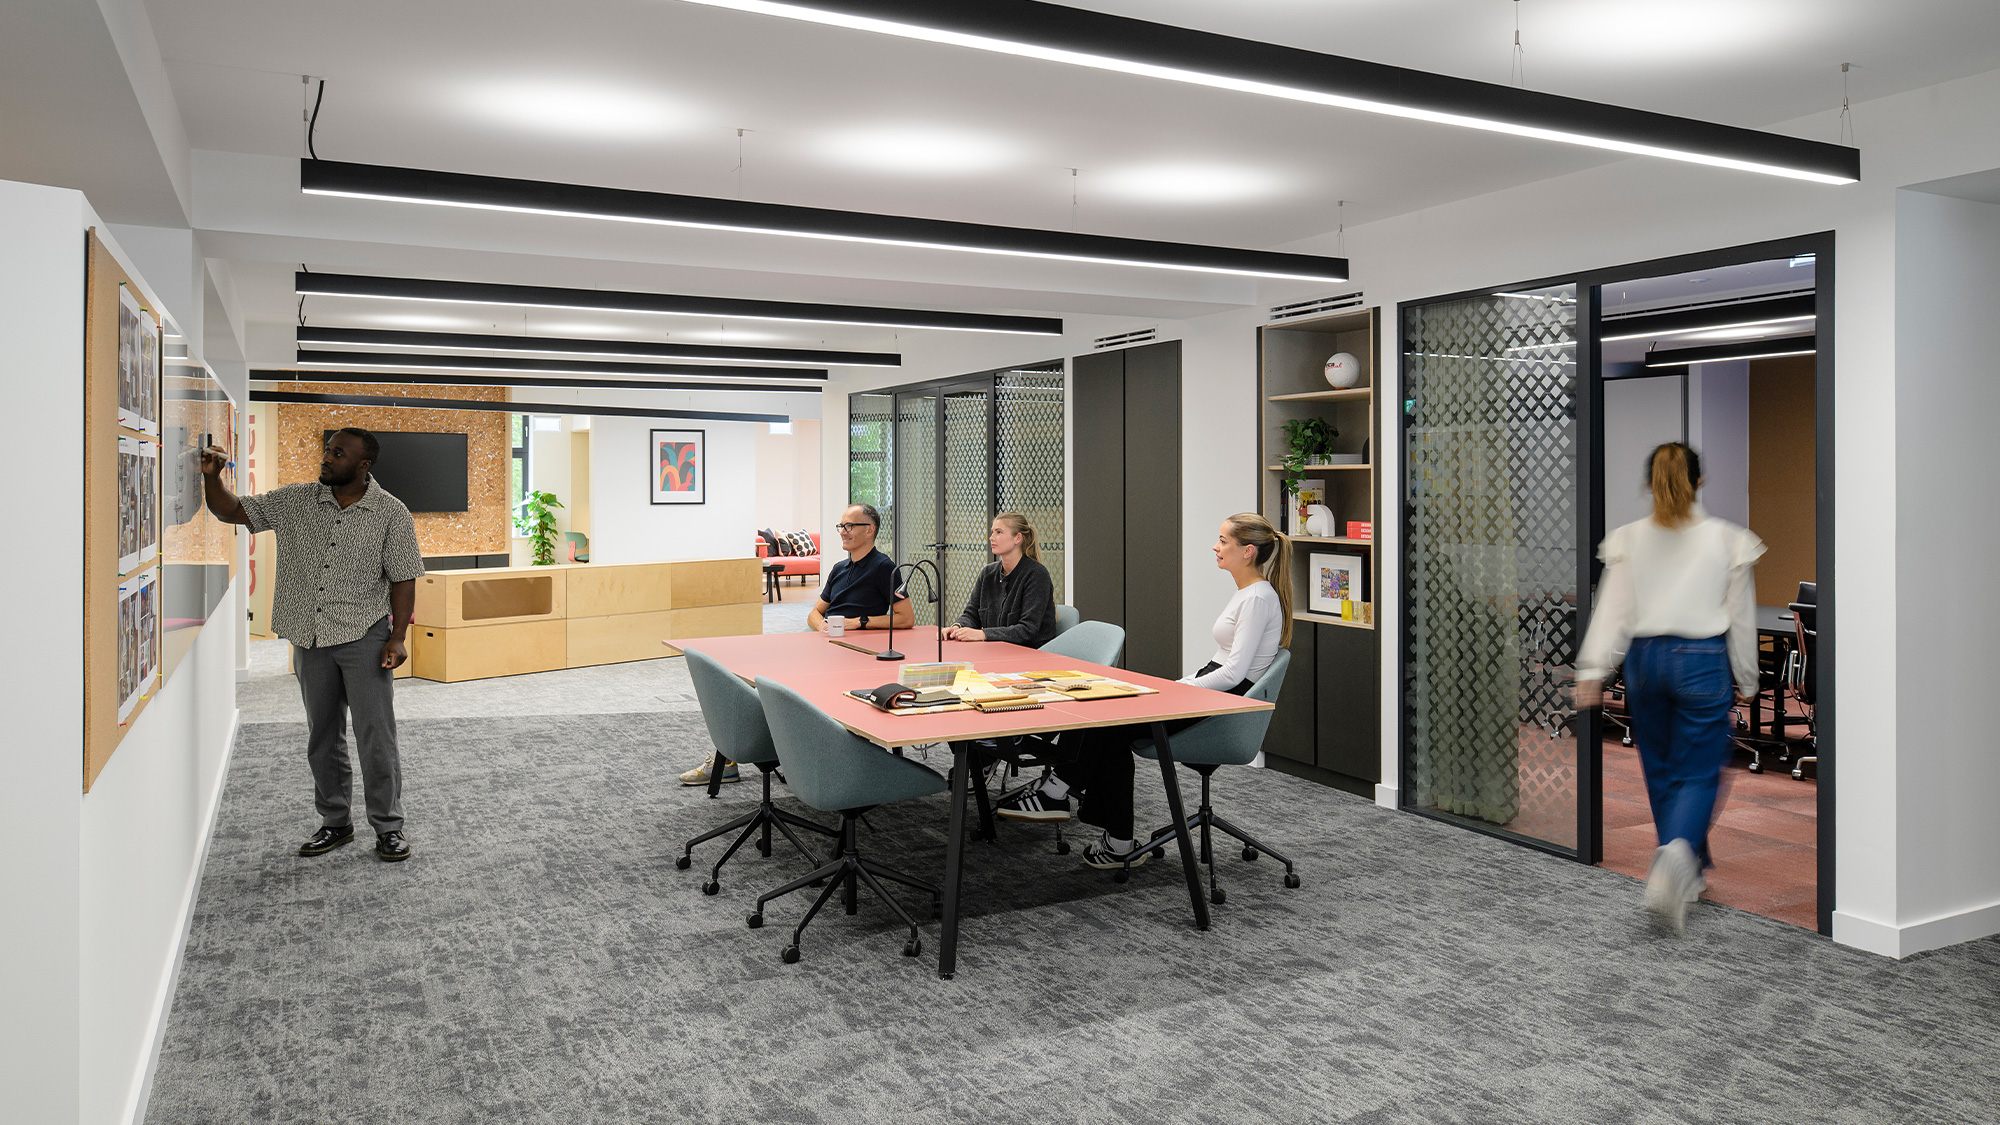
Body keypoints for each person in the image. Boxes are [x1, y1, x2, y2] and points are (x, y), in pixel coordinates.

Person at [997, 513, 1290, 869]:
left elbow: (1233, 673)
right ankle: (1087, 815)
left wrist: (1177, 688)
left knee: (1112, 723)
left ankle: (1062, 794)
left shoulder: (1257, 598)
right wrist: (1180, 685)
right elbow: (1222, 665)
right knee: (1107, 715)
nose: (1215, 546)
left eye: (1223, 541)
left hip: (1224, 704)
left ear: (1247, 552)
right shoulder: (1248, 593)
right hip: (1212, 689)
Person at [199, 427, 425, 862]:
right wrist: (213, 476)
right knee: (322, 735)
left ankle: (388, 826)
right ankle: (335, 823)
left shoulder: (391, 512)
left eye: (337, 454)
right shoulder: (296, 500)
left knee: (375, 735)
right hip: (310, 634)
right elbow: (232, 510)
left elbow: (403, 576)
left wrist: (398, 637)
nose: (326, 457)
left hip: (364, 634)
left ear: (363, 466)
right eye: (327, 450)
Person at [1576, 443, 1764, 935]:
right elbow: (1741, 621)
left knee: (1660, 769)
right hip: (1702, 661)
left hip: (1644, 662)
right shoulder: (1728, 540)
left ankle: (1686, 870)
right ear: (1700, 482)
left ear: (1648, 485)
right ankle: (1677, 855)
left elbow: (1612, 610)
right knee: (1700, 771)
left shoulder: (1628, 539)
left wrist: (1593, 670)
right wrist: (1747, 678)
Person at [679, 503, 914, 786]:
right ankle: (730, 757)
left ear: (870, 530)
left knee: (779, 686)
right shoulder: (839, 569)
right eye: (841, 526)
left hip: (851, 650)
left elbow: (905, 618)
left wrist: (858, 623)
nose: (843, 532)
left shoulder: (884, 567)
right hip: (822, 639)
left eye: (849, 526)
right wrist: (821, 627)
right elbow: (815, 612)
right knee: (755, 675)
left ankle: (780, 755)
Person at [942, 512, 1056, 648]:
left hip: (1032, 655)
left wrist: (983, 634)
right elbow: (972, 615)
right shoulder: (987, 574)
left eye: (999, 532)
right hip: (997, 651)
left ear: (1017, 538)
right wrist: (957, 627)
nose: (991, 538)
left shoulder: (1037, 574)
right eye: (992, 532)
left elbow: (1027, 630)